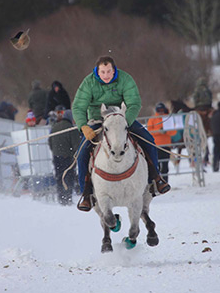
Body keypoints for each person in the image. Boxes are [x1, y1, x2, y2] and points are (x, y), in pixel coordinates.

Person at [72, 55, 170, 211]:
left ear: (114, 70)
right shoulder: (88, 82)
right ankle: (86, 193)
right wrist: (83, 126)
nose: (106, 75)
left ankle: (155, 179)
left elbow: (134, 103)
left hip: (122, 119)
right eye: (102, 72)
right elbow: (78, 107)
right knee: (82, 152)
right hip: (98, 120)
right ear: (97, 71)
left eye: (108, 71)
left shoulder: (125, 79)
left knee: (149, 140)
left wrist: (125, 121)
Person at [48, 110, 81, 205]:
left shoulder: (54, 127)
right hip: (67, 157)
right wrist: (76, 154)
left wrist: (55, 151)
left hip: (56, 157)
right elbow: (76, 144)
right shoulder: (71, 128)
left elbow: (50, 141)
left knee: (59, 176)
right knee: (68, 176)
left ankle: (61, 197)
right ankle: (68, 197)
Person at [147, 103, 177, 182]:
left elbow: (174, 132)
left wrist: (166, 131)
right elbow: (149, 131)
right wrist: (159, 131)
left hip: (166, 146)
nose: (160, 112)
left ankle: (165, 181)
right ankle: (157, 181)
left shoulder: (167, 118)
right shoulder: (152, 119)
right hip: (156, 146)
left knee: (165, 165)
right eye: (159, 110)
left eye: (162, 110)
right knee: (156, 165)